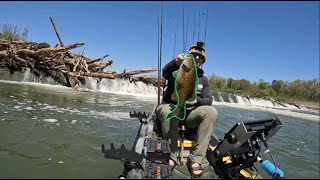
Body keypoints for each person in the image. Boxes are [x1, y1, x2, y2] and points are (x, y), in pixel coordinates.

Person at [156, 42, 218, 177]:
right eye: (194, 55)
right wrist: (175, 63)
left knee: (211, 112)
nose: (197, 58)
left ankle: (196, 159)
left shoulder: (204, 79)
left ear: (203, 61)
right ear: (187, 56)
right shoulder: (178, 69)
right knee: (168, 113)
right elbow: (165, 73)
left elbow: (209, 100)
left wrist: (197, 101)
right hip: (171, 106)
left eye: (200, 57)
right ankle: (172, 156)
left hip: (189, 114)